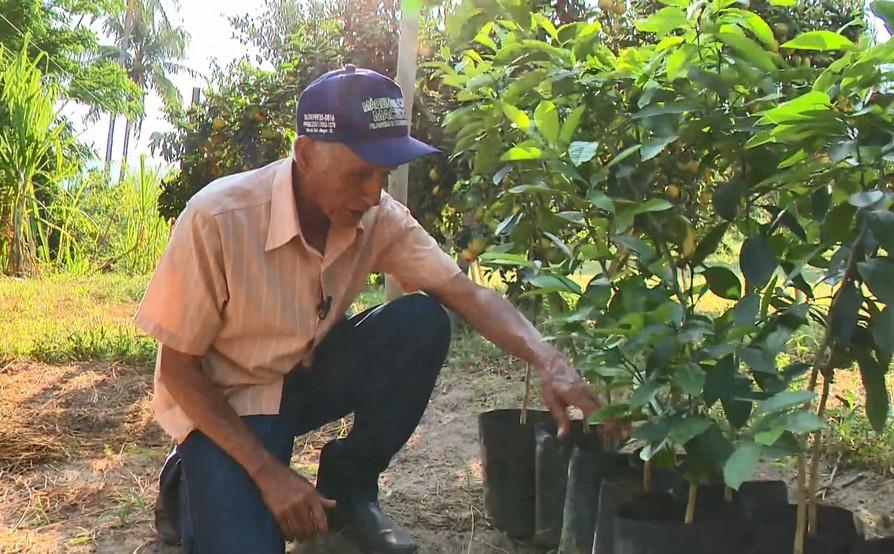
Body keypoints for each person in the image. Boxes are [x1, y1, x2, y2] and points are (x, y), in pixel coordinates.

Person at [136, 65, 613, 554]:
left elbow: (468, 296)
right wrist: (267, 472)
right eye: (359, 173)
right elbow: (178, 371)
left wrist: (549, 361)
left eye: (383, 175)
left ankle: (349, 488)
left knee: (421, 324)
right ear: (305, 154)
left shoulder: (377, 216)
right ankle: (186, 479)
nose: (371, 194)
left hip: (304, 376)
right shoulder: (218, 218)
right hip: (229, 399)